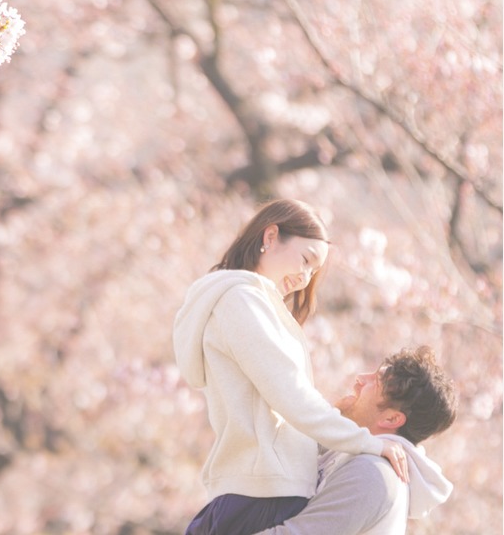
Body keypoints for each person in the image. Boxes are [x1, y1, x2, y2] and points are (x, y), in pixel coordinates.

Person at [173, 199, 408, 535]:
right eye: (306, 259)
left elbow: (277, 406)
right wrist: (370, 443)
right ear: (270, 236)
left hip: (257, 490)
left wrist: (333, 420)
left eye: (314, 271)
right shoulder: (242, 301)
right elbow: (290, 395)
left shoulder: (245, 302)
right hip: (264, 493)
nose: (304, 277)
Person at [253, 346, 457, 535]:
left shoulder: (373, 474)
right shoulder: (352, 454)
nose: (360, 379)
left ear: (392, 418)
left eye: (376, 382)